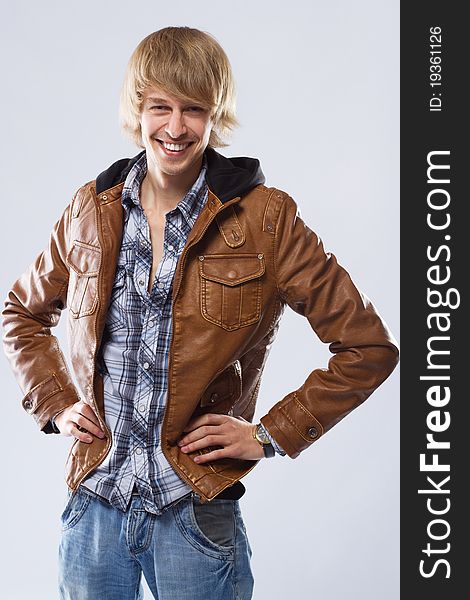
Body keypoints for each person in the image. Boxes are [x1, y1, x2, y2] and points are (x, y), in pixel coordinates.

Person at [2, 26, 399, 600]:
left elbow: (368, 348)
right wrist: (57, 402)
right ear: (137, 110)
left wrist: (267, 435)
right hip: (93, 507)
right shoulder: (91, 208)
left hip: (194, 512)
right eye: (159, 107)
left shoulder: (266, 220)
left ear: (215, 115)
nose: (175, 127)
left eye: (193, 109)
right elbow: (21, 311)